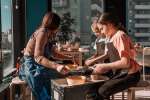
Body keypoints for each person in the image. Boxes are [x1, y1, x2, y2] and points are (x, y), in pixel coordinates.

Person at [18, 12, 69, 100]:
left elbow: (54, 53)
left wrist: (69, 58)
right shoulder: (42, 32)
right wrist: (56, 66)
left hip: (39, 65)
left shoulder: (49, 34)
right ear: (55, 25)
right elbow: (38, 58)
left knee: (62, 76)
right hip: (30, 66)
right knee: (48, 87)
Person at [91, 13, 140, 100]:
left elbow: (125, 63)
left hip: (130, 75)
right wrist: (104, 68)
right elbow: (115, 59)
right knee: (93, 87)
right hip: (120, 73)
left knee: (103, 90)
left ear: (109, 24)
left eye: (102, 29)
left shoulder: (120, 36)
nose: (101, 32)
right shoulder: (111, 37)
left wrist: (104, 66)